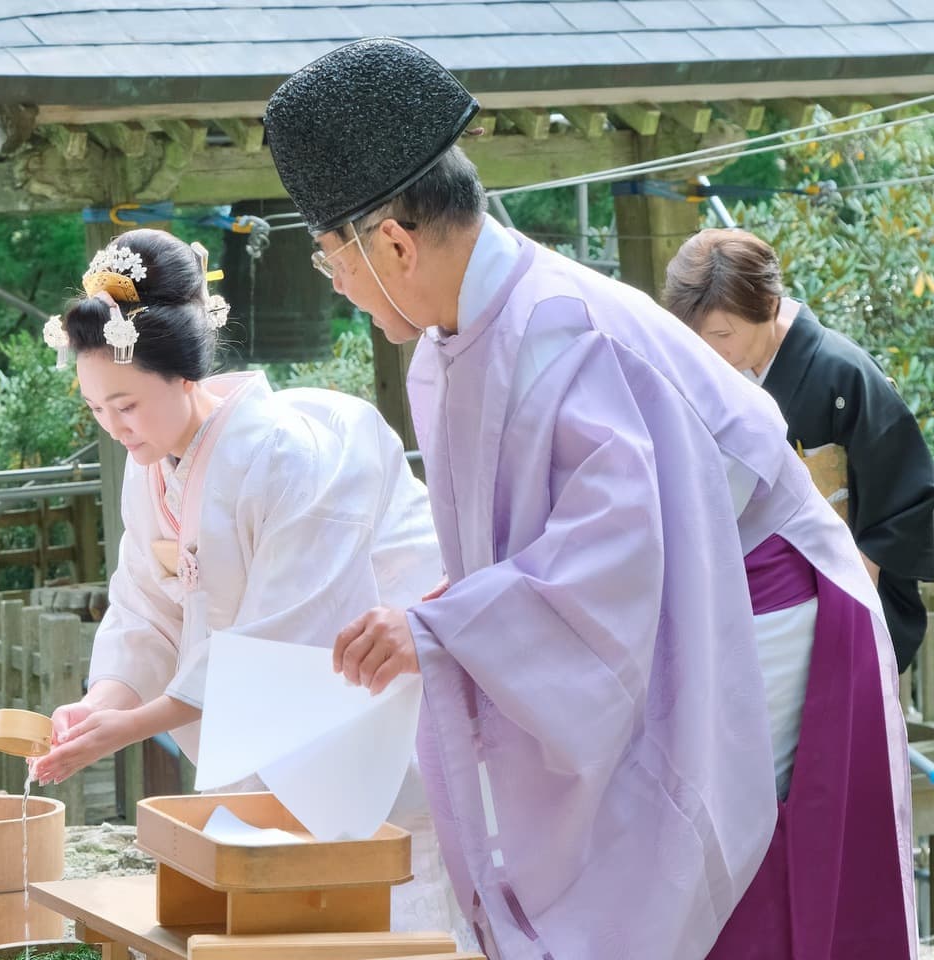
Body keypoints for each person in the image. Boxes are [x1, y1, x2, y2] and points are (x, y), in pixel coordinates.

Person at [263, 36, 913, 960]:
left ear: (395, 243)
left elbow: (619, 554)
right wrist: (449, 615)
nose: (335, 287)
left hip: (746, 612)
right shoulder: (464, 335)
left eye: (331, 258)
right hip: (681, 602)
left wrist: (445, 629)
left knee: (719, 891)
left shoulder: (558, 333)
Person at [27, 227, 464, 935]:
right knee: (277, 903)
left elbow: (284, 637)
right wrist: (102, 703)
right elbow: (144, 610)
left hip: (376, 708)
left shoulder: (295, 453)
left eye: (127, 405)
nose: (114, 428)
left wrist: (132, 726)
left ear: (184, 374)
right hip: (261, 727)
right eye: (97, 409)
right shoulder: (151, 470)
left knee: (396, 899)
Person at [664, 227, 934, 673]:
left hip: (832, 601)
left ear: (769, 305)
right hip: (741, 605)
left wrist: (855, 588)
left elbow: (909, 498)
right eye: (698, 336)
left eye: (723, 333)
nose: (711, 349)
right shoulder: (705, 372)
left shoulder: (841, 374)